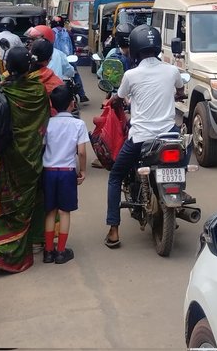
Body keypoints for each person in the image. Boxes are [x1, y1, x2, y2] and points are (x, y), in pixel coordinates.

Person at [104, 24, 186, 249]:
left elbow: (119, 98)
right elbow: (180, 91)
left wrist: (113, 101)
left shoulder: (131, 75)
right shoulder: (171, 71)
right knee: (182, 160)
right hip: (169, 137)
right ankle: (178, 194)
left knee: (115, 175)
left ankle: (113, 230)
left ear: (136, 48)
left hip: (141, 139)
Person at [0, 46, 50, 273]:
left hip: (0, 158)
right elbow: (42, 123)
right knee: (24, 202)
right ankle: (21, 251)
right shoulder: (38, 91)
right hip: (28, 159)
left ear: (7, 67)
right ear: (30, 66)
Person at [42, 85, 88, 264]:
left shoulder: (47, 123)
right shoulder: (78, 124)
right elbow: (82, 152)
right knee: (64, 211)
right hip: (67, 172)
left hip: (49, 172)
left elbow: (42, 146)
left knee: (50, 211)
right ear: (72, 103)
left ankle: (48, 251)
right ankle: (61, 251)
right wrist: (82, 171)